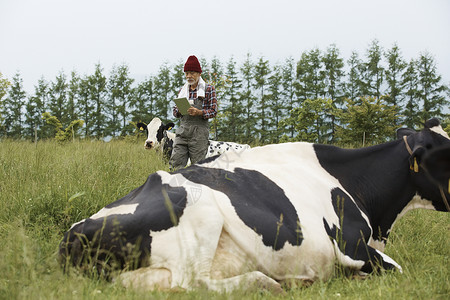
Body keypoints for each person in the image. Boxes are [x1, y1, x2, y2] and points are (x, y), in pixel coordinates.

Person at [169, 55, 218, 170]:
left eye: (192, 73)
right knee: (175, 164)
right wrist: (180, 111)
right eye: (186, 73)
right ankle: (176, 187)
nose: (189, 76)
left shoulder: (208, 89)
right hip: (182, 131)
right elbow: (175, 112)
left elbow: (213, 111)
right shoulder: (182, 91)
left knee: (198, 167)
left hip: (199, 134)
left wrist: (199, 112)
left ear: (199, 73)